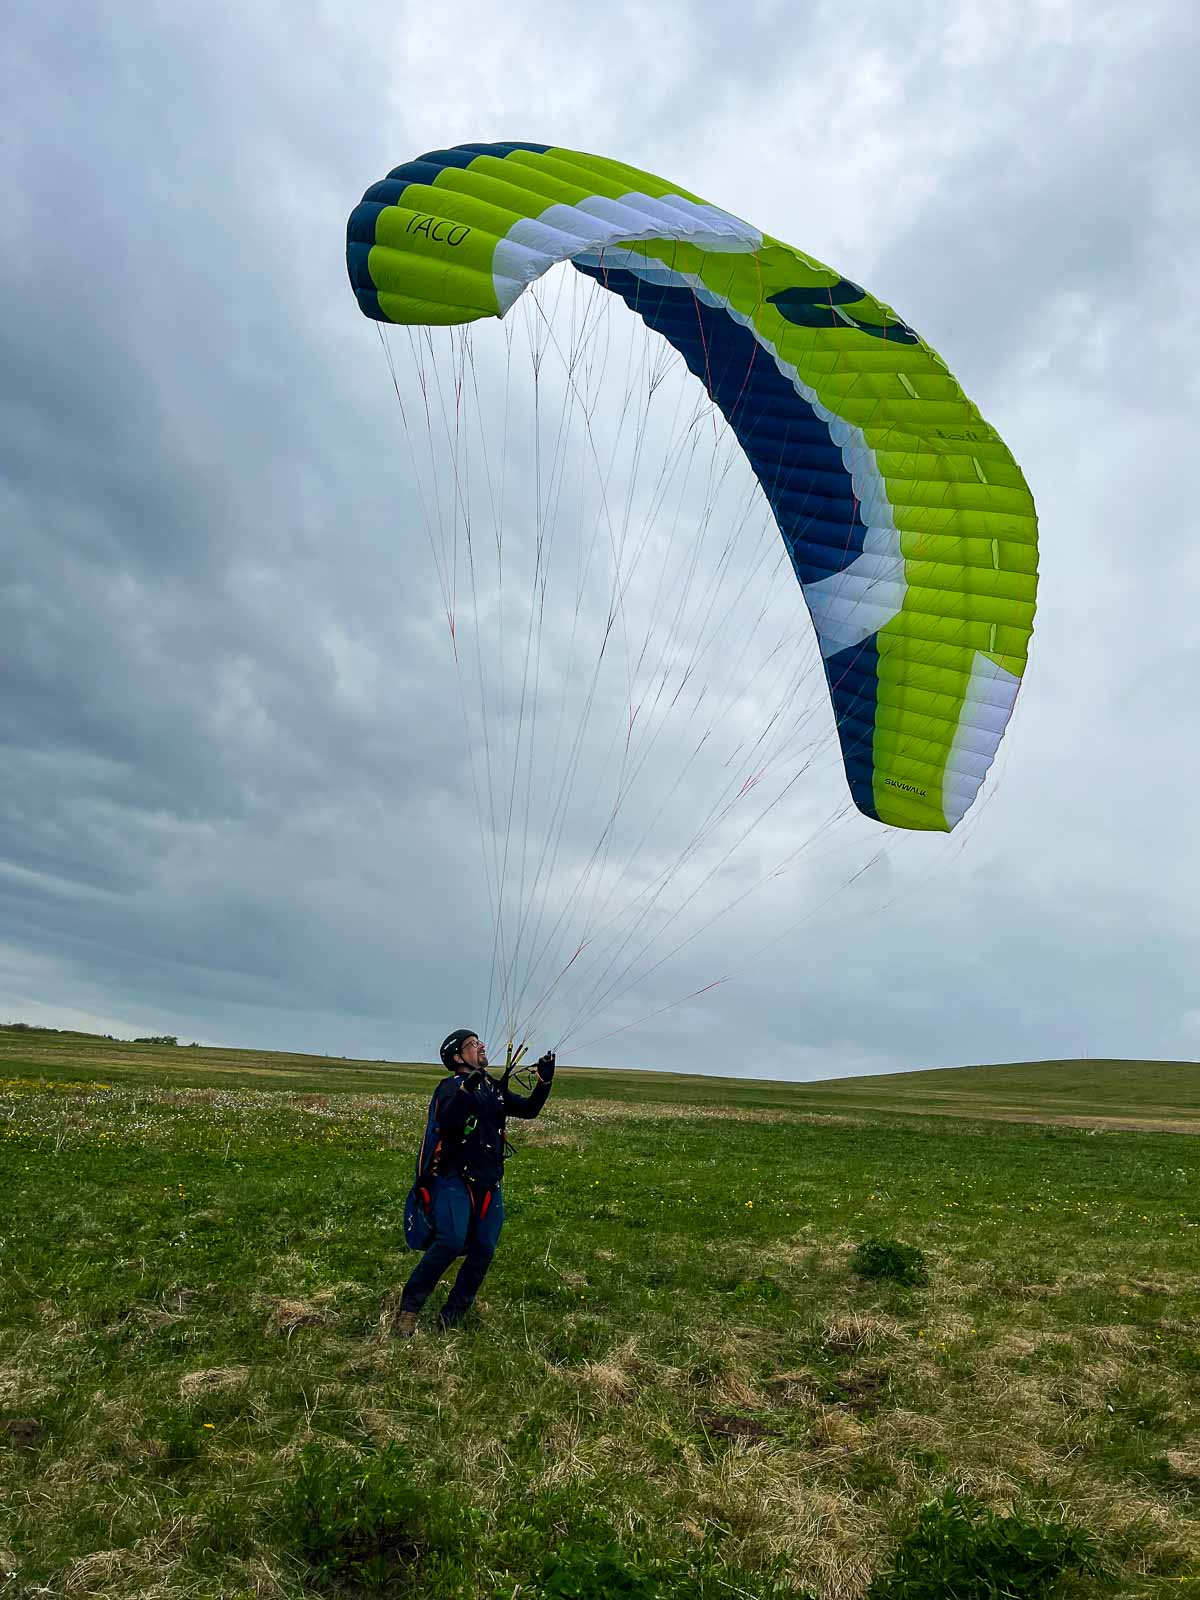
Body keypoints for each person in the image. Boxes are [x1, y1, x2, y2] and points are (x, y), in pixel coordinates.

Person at [394, 1029, 554, 1334]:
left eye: (479, 1041)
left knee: (484, 1249)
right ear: (458, 1057)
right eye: (472, 1044)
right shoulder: (449, 1088)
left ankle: (451, 1318)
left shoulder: (492, 1087)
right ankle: (409, 1308)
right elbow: (448, 1120)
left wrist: (544, 1083)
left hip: (489, 1181)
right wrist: (468, 1089)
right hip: (454, 1178)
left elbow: (528, 1110)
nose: (481, 1045)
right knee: (451, 1241)